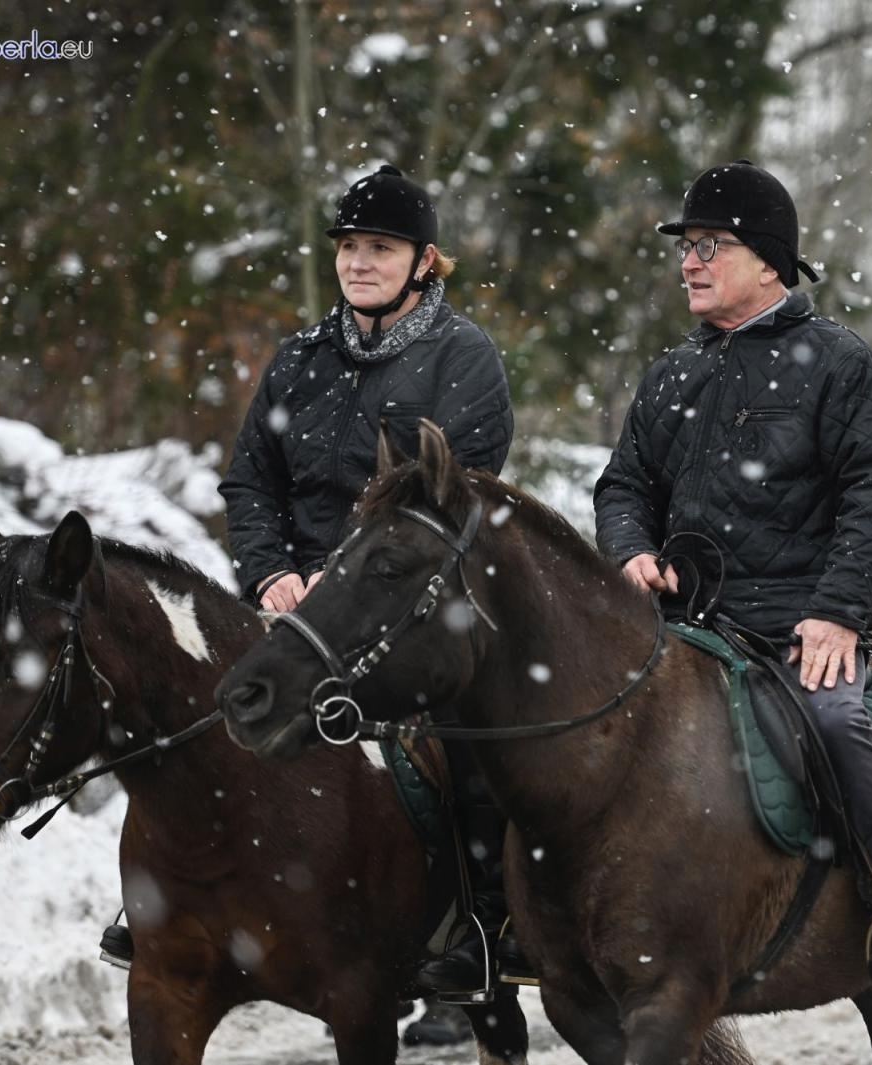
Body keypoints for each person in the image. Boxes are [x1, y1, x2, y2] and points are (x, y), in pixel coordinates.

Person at [593, 160, 872, 998]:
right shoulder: (671, 372)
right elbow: (624, 484)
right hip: (679, 623)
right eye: (686, 247)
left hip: (796, 627)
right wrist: (631, 547)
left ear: (769, 262)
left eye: (711, 245)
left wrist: (837, 613)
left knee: (834, 721)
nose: (690, 262)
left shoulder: (840, 363)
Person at [218, 164, 516, 1039]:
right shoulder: (299, 360)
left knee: (463, 752)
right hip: (298, 601)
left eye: (377, 248)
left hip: (409, 601)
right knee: (215, 709)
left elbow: (449, 496)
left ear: (425, 261)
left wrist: (350, 580)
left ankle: (478, 938)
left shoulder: (465, 359)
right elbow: (250, 482)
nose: (357, 262)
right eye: (348, 246)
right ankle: (179, 909)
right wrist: (271, 570)